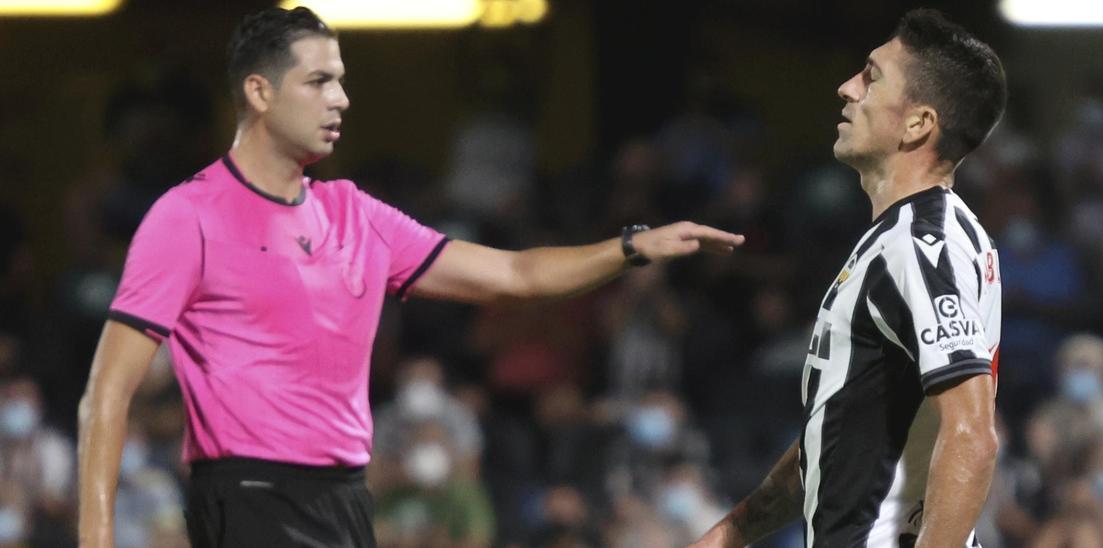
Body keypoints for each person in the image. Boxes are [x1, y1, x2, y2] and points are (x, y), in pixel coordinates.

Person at [76, 7, 744, 548]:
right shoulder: (187, 216)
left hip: (346, 500)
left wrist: (632, 247)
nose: (341, 98)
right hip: (248, 499)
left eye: (340, 79)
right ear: (259, 90)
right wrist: (96, 539)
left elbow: (516, 274)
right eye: (318, 81)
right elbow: (106, 395)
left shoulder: (355, 214)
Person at [693, 8, 1006, 547]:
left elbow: (972, 437)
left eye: (871, 76)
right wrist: (735, 529)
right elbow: (841, 431)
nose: (846, 88)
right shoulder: (898, 239)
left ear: (918, 124)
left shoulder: (921, 243)